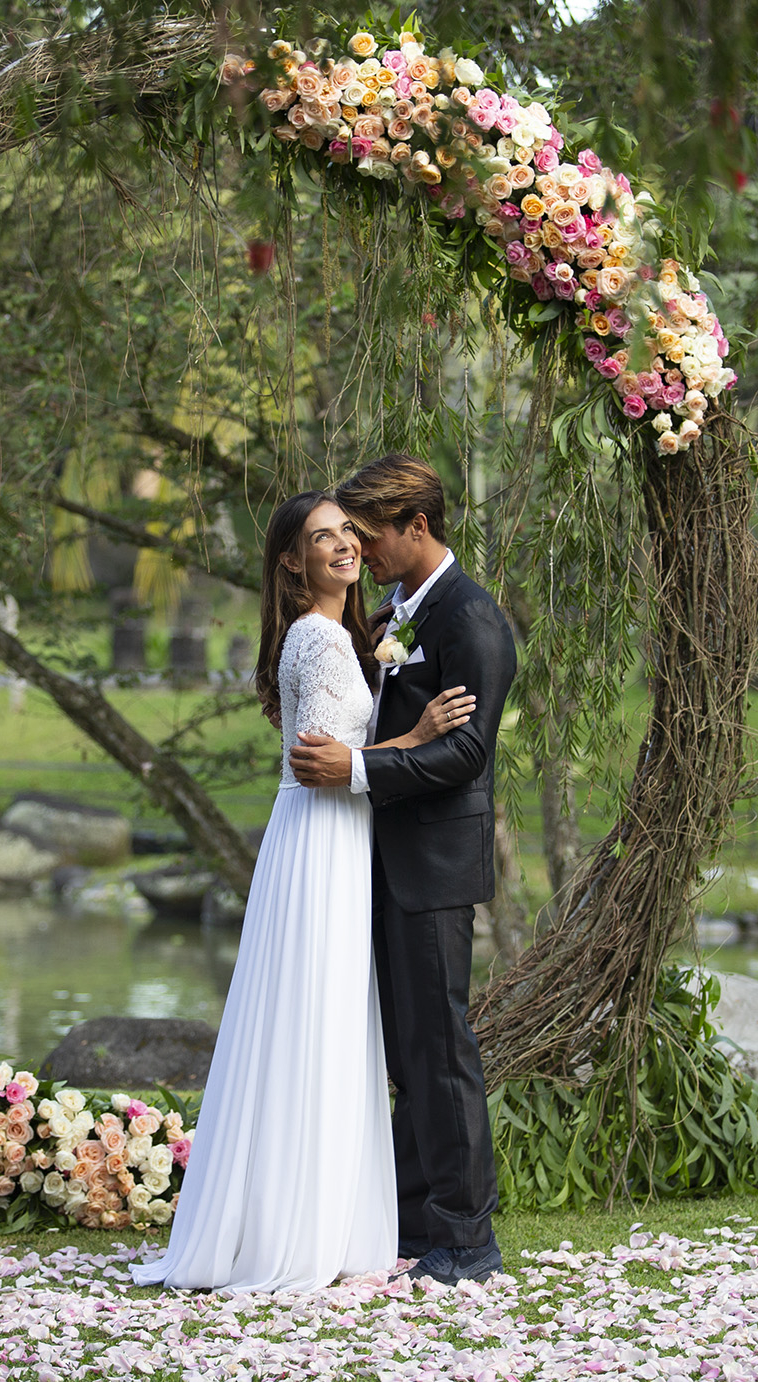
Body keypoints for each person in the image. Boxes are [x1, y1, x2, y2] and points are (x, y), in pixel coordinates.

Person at [131, 491, 475, 1292]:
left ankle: (310, 1218)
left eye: (348, 534)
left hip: (332, 840)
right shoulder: (319, 641)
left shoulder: (344, 633)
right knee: (317, 1020)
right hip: (324, 841)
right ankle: (301, 1231)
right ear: (292, 561)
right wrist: (418, 738)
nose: (344, 547)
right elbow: (319, 767)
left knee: (320, 1021)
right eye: (323, 539)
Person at [289, 452, 518, 1286]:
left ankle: (467, 1237)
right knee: (404, 1049)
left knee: (440, 1045)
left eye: (370, 535)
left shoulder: (472, 621)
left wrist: (356, 771)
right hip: (377, 861)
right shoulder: (399, 612)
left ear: (416, 527)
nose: (361, 551)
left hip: (432, 868)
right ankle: (418, 1217)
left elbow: (464, 751)